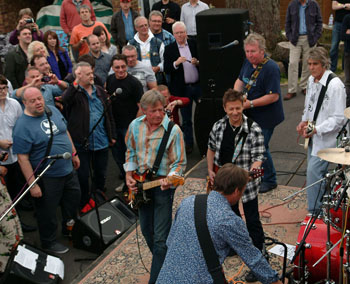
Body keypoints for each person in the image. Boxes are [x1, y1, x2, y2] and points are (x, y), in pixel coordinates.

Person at [156, 163, 282, 284]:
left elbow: (170, 241)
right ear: (236, 191)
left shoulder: (188, 202)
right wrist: (275, 281)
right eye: (243, 190)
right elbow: (254, 259)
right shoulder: (229, 220)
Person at [125, 90, 186, 284]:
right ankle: (169, 264)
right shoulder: (135, 126)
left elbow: (179, 164)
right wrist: (128, 174)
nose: (159, 114)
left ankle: (158, 280)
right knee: (146, 231)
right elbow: (131, 152)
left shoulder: (173, 130)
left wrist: (171, 178)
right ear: (143, 110)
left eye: (161, 109)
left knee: (160, 238)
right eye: (153, 111)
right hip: (141, 185)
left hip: (162, 187)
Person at [12, 87, 81, 254]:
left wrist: (73, 153)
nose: (38, 102)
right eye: (33, 100)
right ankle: (48, 242)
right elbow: (23, 158)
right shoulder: (22, 127)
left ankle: (69, 229)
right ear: (24, 104)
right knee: (47, 212)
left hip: (67, 170)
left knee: (73, 200)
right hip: (46, 175)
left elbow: (65, 132)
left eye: (39, 98)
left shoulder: (52, 111)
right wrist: (33, 184)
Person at [206, 89, 266, 282]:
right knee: (228, 217)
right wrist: (210, 171)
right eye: (230, 109)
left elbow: (258, 157)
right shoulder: (218, 126)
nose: (234, 112)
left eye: (238, 108)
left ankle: (259, 255)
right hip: (223, 184)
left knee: (252, 219)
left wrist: (249, 174)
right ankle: (232, 245)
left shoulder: (254, 128)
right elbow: (211, 148)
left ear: (243, 105)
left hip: (245, 184)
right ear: (225, 108)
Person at [296, 46, 347, 214]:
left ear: (324, 64)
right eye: (309, 64)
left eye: (315, 64)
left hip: (328, 139)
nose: (311, 67)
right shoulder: (312, 80)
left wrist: (317, 129)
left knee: (313, 174)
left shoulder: (335, 86)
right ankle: (323, 205)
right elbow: (309, 105)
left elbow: (339, 119)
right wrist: (304, 121)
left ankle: (314, 212)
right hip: (313, 136)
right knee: (316, 175)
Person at [234, 33, 284, 194]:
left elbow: (274, 96)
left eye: (253, 51)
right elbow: (240, 80)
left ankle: (270, 179)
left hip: (267, 115)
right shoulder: (248, 63)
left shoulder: (271, 68)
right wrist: (236, 97)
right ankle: (260, 175)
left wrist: (251, 104)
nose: (249, 55)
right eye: (247, 51)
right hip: (252, 113)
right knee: (253, 146)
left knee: (261, 148)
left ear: (262, 51)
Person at [62, 62, 116, 208]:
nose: (92, 76)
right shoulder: (74, 92)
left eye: (91, 73)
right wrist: (75, 84)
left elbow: (109, 114)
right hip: (82, 142)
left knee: (101, 173)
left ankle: (98, 196)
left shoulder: (99, 90)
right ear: (78, 76)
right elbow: (65, 100)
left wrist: (112, 134)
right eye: (88, 74)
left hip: (101, 140)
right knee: (83, 176)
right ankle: (85, 202)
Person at [0, 75, 36, 232]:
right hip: (2, 158)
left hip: (16, 153)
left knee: (18, 186)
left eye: (4, 88)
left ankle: (20, 214)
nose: (2, 91)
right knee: (5, 193)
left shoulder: (14, 104)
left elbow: (22, 124)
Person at [164, 21, 200, 154]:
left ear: (186, 33)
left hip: (197, 86)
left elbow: (204, 61)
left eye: (182, 32)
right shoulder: (169, 49)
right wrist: (176, 63)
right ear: (173, 34)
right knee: (186, 119)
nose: (180, 35)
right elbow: (167, 69)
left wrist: (198, 63)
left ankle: (204, 141)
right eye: (177, 33)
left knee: (202, 115)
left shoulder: (194, 44)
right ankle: (189, 144)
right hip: (182, 89)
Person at [106, 54, 143, 181]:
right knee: (118, 155)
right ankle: (125, 180)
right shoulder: (110, 80)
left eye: (123, 66)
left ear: (126, 66)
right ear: (112, 68)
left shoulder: (134, 83)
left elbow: (141, 107)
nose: (120, 70)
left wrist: (133, 127)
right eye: (117, 67)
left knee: (131, 156)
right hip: (115, 126)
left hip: (129, 126)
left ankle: (135, 180)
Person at [284, 0, 322, 100]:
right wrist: (290, 37)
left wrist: (316, 37)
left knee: (307, 64)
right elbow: (287, 22)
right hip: (295, 39)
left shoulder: (314, 5)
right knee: (292, 63)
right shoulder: (292, 5)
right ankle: (291, 90)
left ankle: (304, 86)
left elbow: (319, 22)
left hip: (310, 39)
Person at [128, 16, 165, 85]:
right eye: (141, 26)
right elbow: (127, 62)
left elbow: (165, 60)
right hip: (137, 80)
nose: (144, 27)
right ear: (136, 28)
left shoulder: (158, 43)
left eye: (146, 25)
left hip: (156, 78)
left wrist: (158, 68)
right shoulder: (131, 44)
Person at [330, 1, 350, 72]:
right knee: (334, 47)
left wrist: (340, 5)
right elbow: (334, 6)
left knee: (347, 48)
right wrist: (344, 6)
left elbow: (337, 5)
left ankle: (345, 69)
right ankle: (332, 69)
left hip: (348, 23)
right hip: (338, 23)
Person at [342, 13, 350, 106]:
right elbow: (343, 36)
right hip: (349, 53)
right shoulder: (347, 18)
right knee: (348, 81)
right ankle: (347, 105)